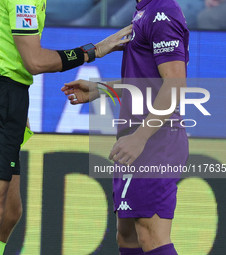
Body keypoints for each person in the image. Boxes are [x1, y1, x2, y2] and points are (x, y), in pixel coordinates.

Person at [0, 0, 133, 254]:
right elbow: (35, 61)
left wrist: (14, 101)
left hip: (7, 93)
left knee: (9, 210)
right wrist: (94, 50)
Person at [62, 0, 189, 254]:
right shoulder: (143, 10)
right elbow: (146, 81)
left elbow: (174, 83)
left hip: (155, 140)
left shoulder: (162, 11)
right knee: (127, 236)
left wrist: (140, 137)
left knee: (151, 235)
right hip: (135, 139)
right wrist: (101, 89)